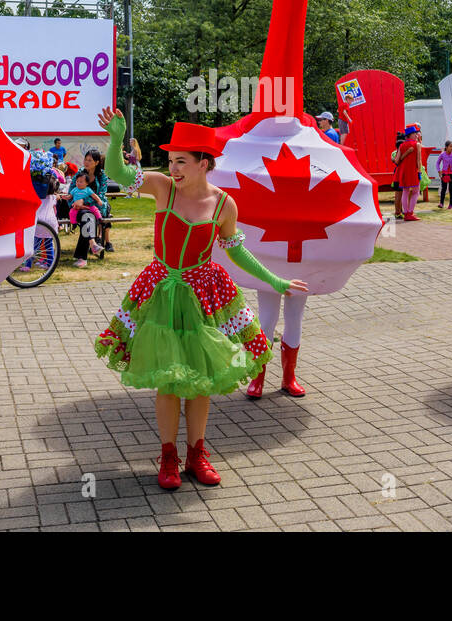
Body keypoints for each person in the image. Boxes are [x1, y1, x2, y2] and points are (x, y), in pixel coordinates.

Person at [93, 108, 307, 490]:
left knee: (202, 381)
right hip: (160, 293)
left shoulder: (224, 204)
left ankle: (197, 454)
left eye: (182, 161)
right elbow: (117, 174)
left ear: (204, 163)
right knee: (169, 381)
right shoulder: (161, 187)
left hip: (205, 294)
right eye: (172, 160)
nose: (173, 168)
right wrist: (115, 139)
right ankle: (168, 456)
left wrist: (274, 281)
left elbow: (236, 251)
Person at [68, 169, 106, 268]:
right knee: (87, 218)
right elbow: (70, 194)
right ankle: (93, 244)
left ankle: (82, 257)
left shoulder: (101, 176)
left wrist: (84, 201)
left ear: (96, 162)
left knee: (89, 218)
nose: (86, 162)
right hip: (77, 209)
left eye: (90, 160)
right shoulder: (79, 173)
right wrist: (77, 203)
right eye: (86, 159)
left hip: (93, 208)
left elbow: (101, 197)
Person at [395, 125, 421, 221]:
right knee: (415, 192)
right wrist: (420, 172)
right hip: (413, 171)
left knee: (405, 192)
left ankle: (406, 214)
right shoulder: (417, 144)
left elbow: (397, 161)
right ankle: (410, 212)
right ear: (411, 135)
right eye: (415, 133)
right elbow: (419, 161)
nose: (416, 135)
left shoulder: (401, 145)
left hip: (403, 171)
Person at [435, 141, 452, 209]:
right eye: (450, 146)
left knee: (450, 189)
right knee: (443, 189)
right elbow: (437, 163)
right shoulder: (442, 154)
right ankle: (441, 203)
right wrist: (439, 171)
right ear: (446, 147)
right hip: (444, 174)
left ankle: (451, 204)